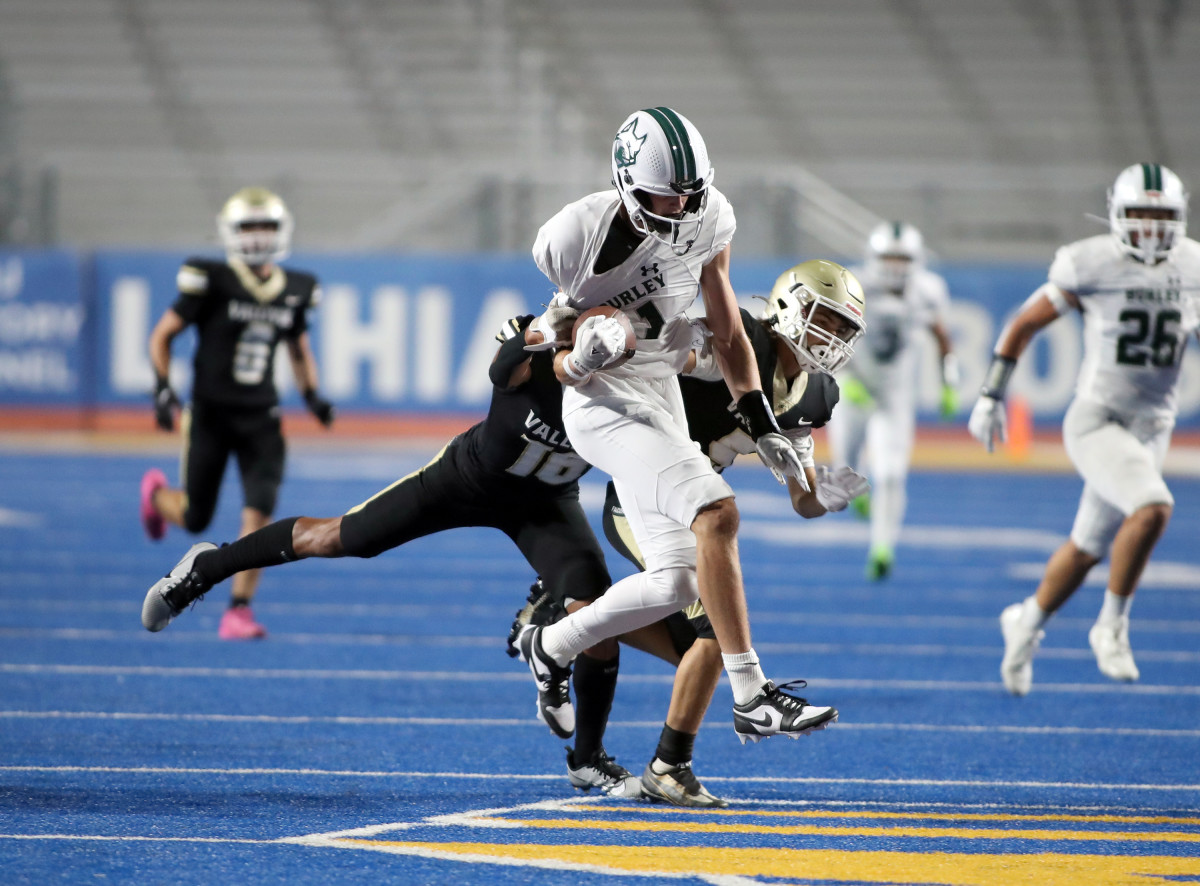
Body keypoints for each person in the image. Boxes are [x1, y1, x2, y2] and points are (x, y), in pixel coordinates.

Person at [140, 312, 650, 797]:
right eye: (597, 326)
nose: (606, 342)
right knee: (339, 538)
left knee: (596, 612)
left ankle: (586, 756)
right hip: (466, 480)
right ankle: (207, 567)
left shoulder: (639, 376)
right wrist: (540, 334)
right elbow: (502, 370)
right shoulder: (537, 337)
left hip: (546, 504)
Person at [513, 107, 856, 746]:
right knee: (718, 515)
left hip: (659, 387)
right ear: (624, 181)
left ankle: (551, 643)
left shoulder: (711, 215)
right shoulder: (572, 235)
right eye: (664, 194)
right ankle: (752, 693)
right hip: (602, 398)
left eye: (689, 194)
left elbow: (726, 326)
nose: (679, 208)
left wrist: (763, 422)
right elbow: (547, 342)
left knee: (676, 583)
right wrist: (579, 349)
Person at [511, 260, 869, 807]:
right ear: (791, 308)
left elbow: (802, 497)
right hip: (646, 491)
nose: (835, 339)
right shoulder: (743, 337)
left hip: (696, 506)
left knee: (700, 635)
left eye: (845, 330)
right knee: (713, 629)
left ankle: (570, 617)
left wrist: (824, 494)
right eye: (827, 321)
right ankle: (671, 760)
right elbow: (675, 356)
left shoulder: (815, 393)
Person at [969, 162, 1199, 695]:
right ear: (1117, 215)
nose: (1148, 226)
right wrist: (991, 393)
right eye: (1138, 213)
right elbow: (1024, 323)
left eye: (1160, 215)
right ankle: (1111, 627)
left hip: (1154, 424)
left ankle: (1026, 621)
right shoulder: (1090, 262)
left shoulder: (1190, 265)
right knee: (1152, 508)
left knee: (1086, 547)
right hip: (1097, 418)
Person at [139, 187, 335, 640]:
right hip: (209, 415)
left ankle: (239, 610)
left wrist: (313, 398)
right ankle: (154, 497)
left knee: (258, 514)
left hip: (261, 419)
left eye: (266, 225)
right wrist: (161, 387)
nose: (258, 236)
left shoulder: (296, 288)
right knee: (195, 517)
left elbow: (298, 349)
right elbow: (162, 334)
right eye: (248, 226)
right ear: (230, 232)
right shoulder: (210, 277)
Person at [827, 221, 958, 580]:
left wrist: (950, 381)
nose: (895, 266)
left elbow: (941, 335)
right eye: (889, 258)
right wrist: (840, 376)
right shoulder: (854, 285)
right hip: (854, 383)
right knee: (845, 470)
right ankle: (857, 492)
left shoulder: (928, 290)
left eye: (903, 259)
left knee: (891, 474)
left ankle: (882, 547)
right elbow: (827, 335)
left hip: (895, 393)